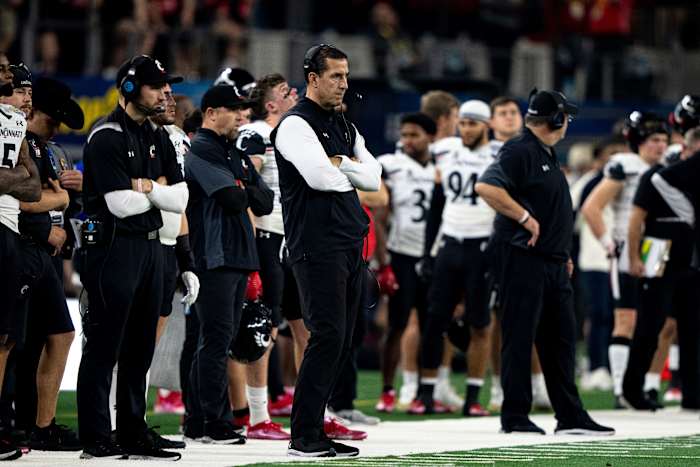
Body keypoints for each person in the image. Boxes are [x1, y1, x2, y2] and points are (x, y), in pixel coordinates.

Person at [476, 89, 614, 435]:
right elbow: (487, 187)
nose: (567, 122)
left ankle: (570, 415)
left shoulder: (545, 153)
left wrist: (561, 251)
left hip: (551, 262)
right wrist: (524, 217)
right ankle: (515, 416)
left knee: (561, 341)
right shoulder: (520, 149)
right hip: (523, 258)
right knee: (520, 337)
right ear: (555, 119)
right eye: (565, 116)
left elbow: (552, 210)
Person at [271, 44, 381, 458]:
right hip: (315, 246)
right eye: (336, 76)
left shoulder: (344, 125)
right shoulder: (295, 125)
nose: (344, 84)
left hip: (347, 244)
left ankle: (315, 426)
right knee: (327, 335)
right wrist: (346, 170)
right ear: (313, 79)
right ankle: (303, 435)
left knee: (343, 338)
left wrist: (345, 166)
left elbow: (373, 176)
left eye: (346, 76)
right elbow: (319, 177)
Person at [78, 55, 187, 460]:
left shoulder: (157, 135)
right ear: (128, 88)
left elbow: (181, 197)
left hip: (148, 246)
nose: (164, 93)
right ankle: (95, 435)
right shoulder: (105, 135)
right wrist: (153, 191)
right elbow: (119, 205)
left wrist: (147, 188)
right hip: (111, 249)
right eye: (156, 86)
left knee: (141, 347)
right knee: (105, 346)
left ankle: (131, 431)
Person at [184, 84, 273, 444]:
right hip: (215, 256)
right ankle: (213, 422)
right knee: (216, 341)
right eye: (234, 110)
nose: (241, 116)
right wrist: (244, 186)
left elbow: (264, 200)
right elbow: (233, 199)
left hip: (237, 255)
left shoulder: (230, 151)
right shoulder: (203, 149)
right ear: (211, 113)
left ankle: (198, 421)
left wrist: (244, 187)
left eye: (243, 110)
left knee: (218, 340)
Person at [581, 112, 670, 408]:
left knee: (656, 322)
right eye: (653, 140)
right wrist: (609, 243)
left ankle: (646, 385)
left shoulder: (669, 164)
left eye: (662, 140)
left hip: (658, 249)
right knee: (625, 319)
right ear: (639, 142)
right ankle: (621, 389)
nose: (659, 146)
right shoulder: (625, 166)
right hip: (626, 247)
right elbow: (592, 207)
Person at [14, 75, 84, 451]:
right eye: (51, 117)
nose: (56, 125)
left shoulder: (56, 151)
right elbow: (17, 200)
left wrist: (76, 191)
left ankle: (40, 424)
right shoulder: (17, 143)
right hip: (25, 248)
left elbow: (65, 203)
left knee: (52, 335)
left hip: (51, 257)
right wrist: (52, 214)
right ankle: (21, 423)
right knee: (17, 342)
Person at [414, 100, 495, 417]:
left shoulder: (499, 154)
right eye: (463, 123)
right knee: (435, 320)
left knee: (479, 323)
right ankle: (426, 393)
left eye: (474, 123)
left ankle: (473, 396)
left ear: (486, 125)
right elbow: (437, 204)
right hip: (450, 243)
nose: (467, 129)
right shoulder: (446, 151)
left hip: (482, 245)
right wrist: (428, 252)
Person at [233, 72, 299, 440]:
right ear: (271, 104)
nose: (295, 95)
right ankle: (258, 417)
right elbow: (245, 185)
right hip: (266, 238)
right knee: (263, 326)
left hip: (286, 239)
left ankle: (314, 411)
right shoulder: (258, 132)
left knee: (303, 327)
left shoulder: (288, 133)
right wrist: (252, 241)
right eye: (286, 92)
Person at [622, 127, 700, 410]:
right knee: (649, 326)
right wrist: (634, 258)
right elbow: (635, 219)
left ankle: (693, 394)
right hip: (658, 257)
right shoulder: (660, 176)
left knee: (692, 331)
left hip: (689, 263)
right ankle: (632, 391)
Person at [374, 113, 436, 414]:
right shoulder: (391, 164)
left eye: (415, 135)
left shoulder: (442, 166)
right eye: (405, 135)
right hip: (401, 253)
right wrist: (383, 260)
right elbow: (380, 215)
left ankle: (426, 391)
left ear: (431, 137)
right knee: (397, 324)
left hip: (433, 256)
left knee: (431, 325)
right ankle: (387, 389)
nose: (408, 141)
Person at [0, 53, 42, 461]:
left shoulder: (17, 128)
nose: (26, 98)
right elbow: (25, 183)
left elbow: (33, 188)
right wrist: (19, 180)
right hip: (6, 230)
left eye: (28, 90)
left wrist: (13, 181)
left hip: (11, 233)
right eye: (18, 89)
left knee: (7, 339)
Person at [576, 137, 627, 392]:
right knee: (599, 314)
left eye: (621, 153)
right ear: (599, 159)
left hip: (622, 260)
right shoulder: (590, 183)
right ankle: (596, 366)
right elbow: (576, 213)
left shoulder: (629, 180)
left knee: (620, 317)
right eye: (611, 154)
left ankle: (613, 368)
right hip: (595, 258)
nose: (617, 158)